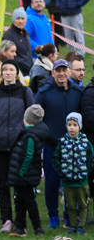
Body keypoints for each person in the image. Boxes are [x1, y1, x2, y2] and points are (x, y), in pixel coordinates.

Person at [0, 58, 34, 232]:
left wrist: (29, 140)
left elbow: (31, 118)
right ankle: (6, 219)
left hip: (19, 144)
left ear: (16, 72)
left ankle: (21, 220)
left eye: (11, 70)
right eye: (5, 70)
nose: (8, 73)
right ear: (1, 73)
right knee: (3, 184)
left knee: (20, 184)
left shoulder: (24, 91)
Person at [36, 60, 84, 228]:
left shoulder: (78, 92)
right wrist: (47, 136)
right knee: (51, 182)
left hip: (73, 147)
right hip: (52, 146)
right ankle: (53, 216)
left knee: (71, 183)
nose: (62, 73)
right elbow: (37, 118)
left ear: (69, 72)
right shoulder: (44, 93)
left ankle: (69, 215)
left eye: (64, 70)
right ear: (53, 73)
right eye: (58, 71)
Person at [8, 105, 50, 238]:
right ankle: (20, 227)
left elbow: (28, 155)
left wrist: (21, 172)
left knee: (29, 201)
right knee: (19, 201)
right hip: (22, 176)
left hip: (25, 177)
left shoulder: (30, 136)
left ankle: (37, 228)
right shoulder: (27, 134)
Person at [55, 112, 94, 234]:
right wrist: (61, 172)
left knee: (83, 204)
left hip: (82, 181)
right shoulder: (62, 142)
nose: (72, 127)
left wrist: (85, 171)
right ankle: (72, 226)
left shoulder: (85, 142)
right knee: (70, 205)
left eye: (75, 125)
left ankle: (81, 226)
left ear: (79, 126)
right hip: (67, 181)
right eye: (69, 124)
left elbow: (90, 158)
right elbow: (56, 158)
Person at [3, 8, 34, 75]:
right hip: (18, 73)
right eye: (18, 18)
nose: (20, 21)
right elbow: (7, 56)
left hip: (28, 72)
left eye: (22, 18)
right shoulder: (9, 35)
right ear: (13, 20)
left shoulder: (25, 34)